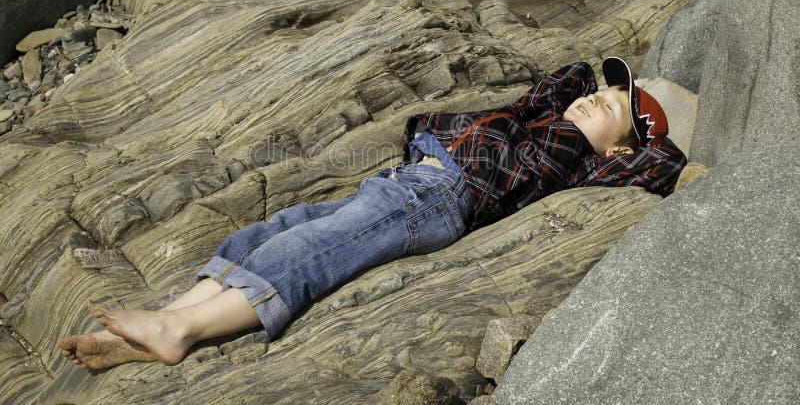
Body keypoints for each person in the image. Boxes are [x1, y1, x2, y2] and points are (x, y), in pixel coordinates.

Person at [57, 57, 686, 370]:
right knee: (271, 229)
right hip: (410, 179)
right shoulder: (545, 117)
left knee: (311, 253)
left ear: (622, 145)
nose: (589, 100)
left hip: (444, 197)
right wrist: (600, 89)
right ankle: (164, 320)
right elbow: (557, 84)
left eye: (607, 106)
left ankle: (182, 332)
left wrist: (643, 134)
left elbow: (658, 166)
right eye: (594, 94)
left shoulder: (586, 161)